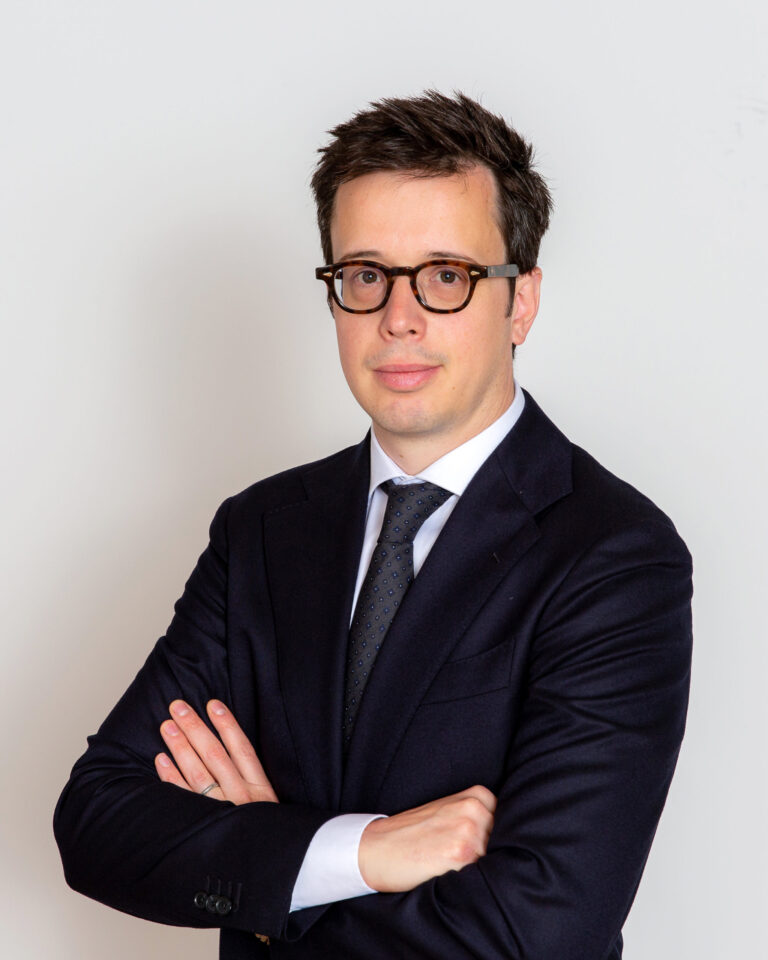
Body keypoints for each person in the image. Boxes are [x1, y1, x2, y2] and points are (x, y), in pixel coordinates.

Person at [54, 91, 693, 959]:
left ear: (521, 302)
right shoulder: (262, 533)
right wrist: (363, 852)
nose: (399, 317)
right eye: (365, 275)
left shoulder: (615, 557)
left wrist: (278, 872)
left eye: (445, 275)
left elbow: (537, 932)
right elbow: (97, 818)